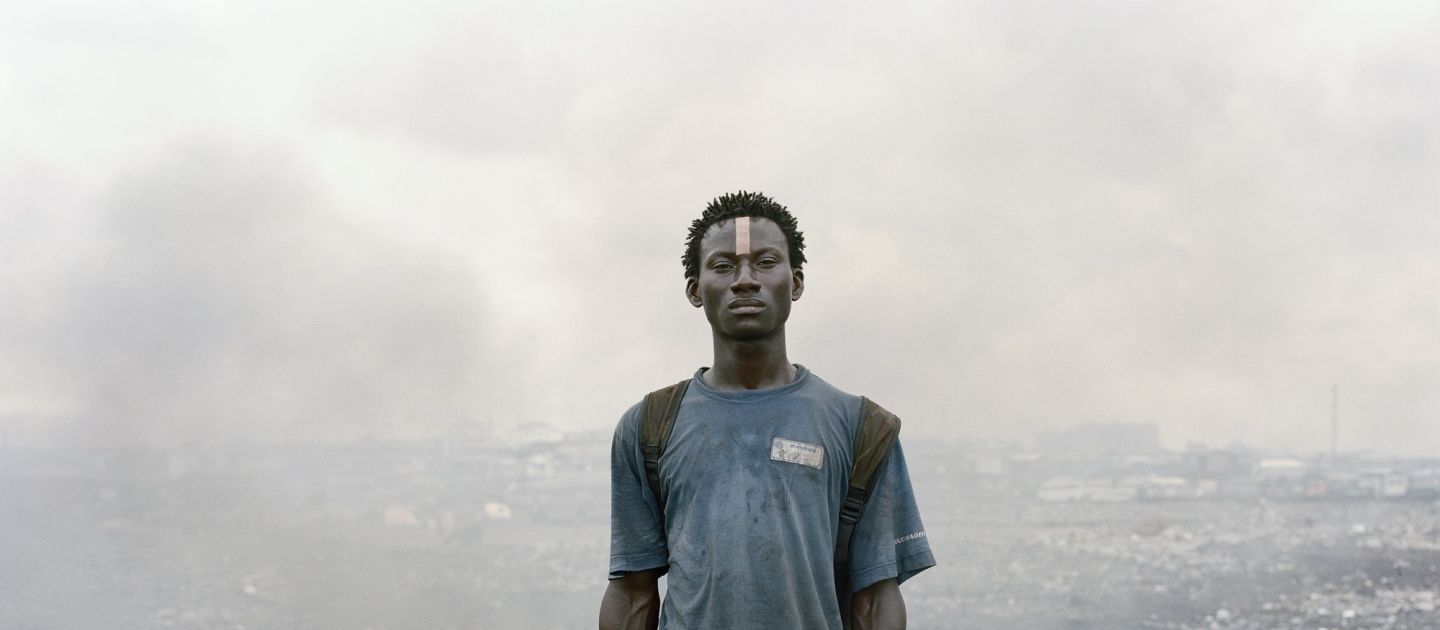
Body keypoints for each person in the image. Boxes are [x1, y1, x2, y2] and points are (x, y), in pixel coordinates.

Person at [599, 191, 935, 630]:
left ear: (795, 283)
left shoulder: (863, 429)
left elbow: (874, 598)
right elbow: (631, 591)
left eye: (765, 262)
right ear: (695, 290)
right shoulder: (648, 427)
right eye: (723, 266)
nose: (744, 280)